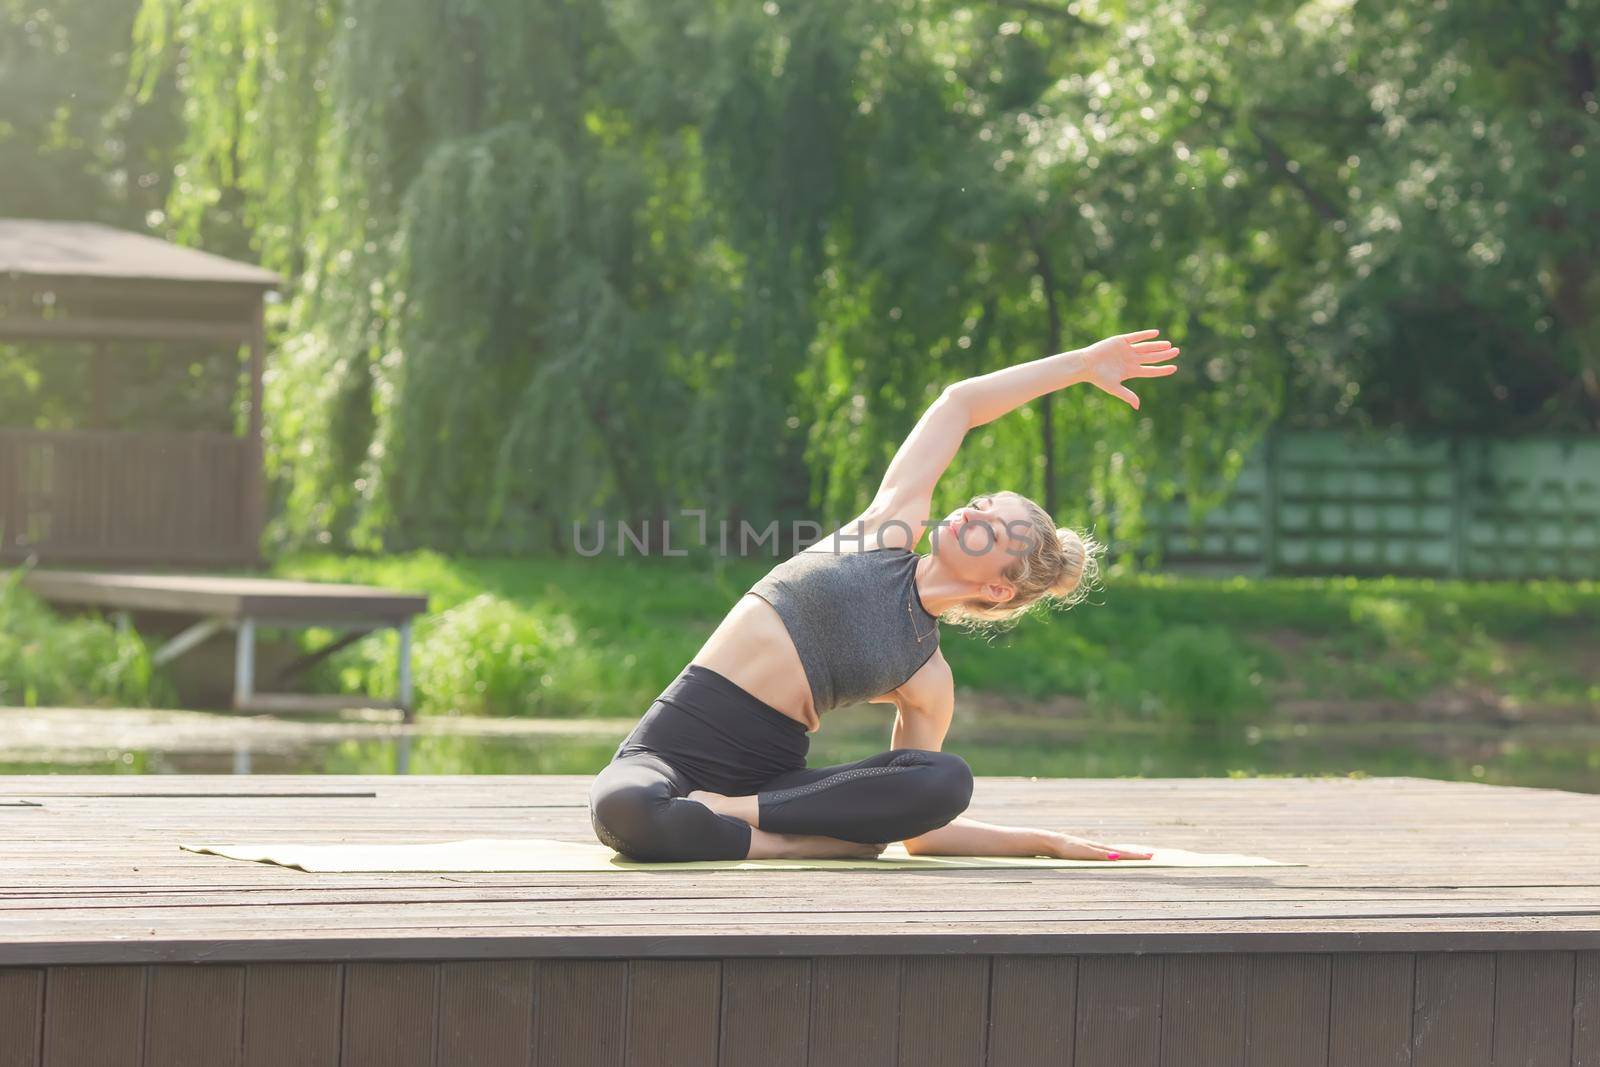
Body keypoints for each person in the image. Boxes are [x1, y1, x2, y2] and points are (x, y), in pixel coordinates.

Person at [588, 329, 1181, 862]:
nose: (970, 513)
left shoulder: (926, 675)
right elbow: (961, 404)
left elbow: (922, 827)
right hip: (670, 751)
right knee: (624, 812)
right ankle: (796, 848)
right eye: (979, 504)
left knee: (946, 779)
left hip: (770, 788)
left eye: (993, 530)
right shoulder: (885, 531)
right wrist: (1080, 365)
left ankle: (735, 817)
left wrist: (1043, 844)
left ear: (998, 588)